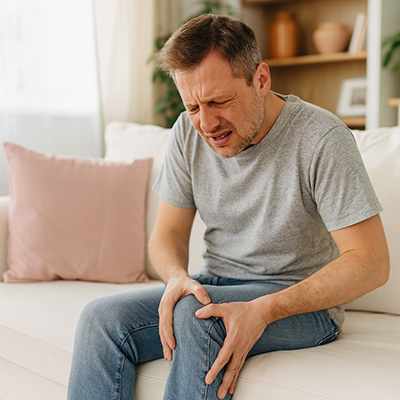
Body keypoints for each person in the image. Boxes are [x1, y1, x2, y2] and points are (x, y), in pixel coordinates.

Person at [67, 14, 390, 400]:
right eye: (193, 107)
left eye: (218, 101)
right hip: (217, 283)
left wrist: (264, 309)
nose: (206, 123)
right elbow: (167, 234)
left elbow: (371, 263)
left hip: (299, 302)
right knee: (100, 320)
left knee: (199, 317)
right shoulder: (186, 133)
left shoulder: (322, 138)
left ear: (261, 80)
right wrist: (176, 278)